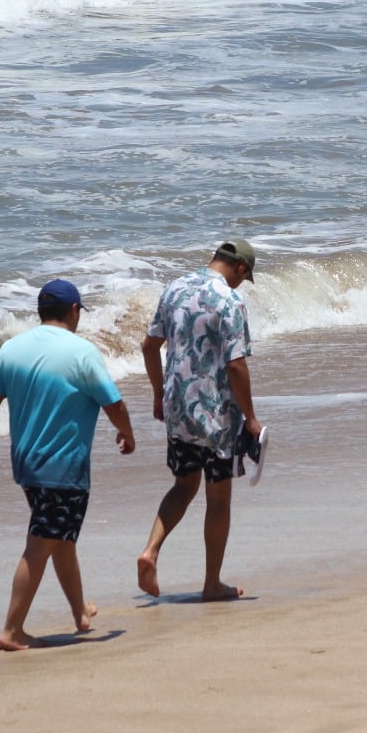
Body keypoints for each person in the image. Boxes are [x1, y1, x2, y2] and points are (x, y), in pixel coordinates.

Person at [0, 279, 135, 651]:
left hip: (27, 465)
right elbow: (115, 405)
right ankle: (12, 630)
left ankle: (80, 614)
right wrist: (127, 434)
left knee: (60, 538)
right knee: (42, 543)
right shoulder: (82, 351)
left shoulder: (12, 350)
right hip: (64, 466)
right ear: (74, 311)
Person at [137, 239, 263, 602]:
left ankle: (151, 551)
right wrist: (251, 418)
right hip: (216, 413)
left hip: (177, 406)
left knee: (183, 486)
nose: (242, 284)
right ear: (240, 269)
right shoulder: (230, 301)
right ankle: (212, 583)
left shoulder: (174, 288)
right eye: (245, 277)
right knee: (218, 499)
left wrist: (159, 393)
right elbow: (236, 364)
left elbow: (149, 346)